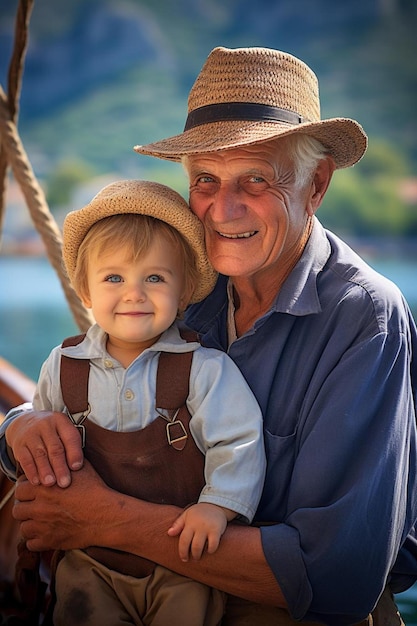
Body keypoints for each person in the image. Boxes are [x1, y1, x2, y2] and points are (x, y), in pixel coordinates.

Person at [1, 46, 417, 625]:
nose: (222, 209)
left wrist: (105, 519)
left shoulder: (365, 318)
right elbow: (94, 376)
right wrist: (19, 424)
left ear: (316, 184)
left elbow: (336, 578)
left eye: (254, 179)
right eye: (205, 180)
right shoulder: (180, 285)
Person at [3, 179, 266, 626]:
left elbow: (238, 441)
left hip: (183, 559)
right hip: (89, 563)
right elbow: (41, 433)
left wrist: (217, 506)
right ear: (85, 291)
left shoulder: (204, 369)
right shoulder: (63, 366)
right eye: (113, 278)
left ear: (183, 293)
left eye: (155, 278)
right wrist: (22, 429)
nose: (134, 293)